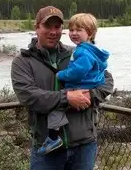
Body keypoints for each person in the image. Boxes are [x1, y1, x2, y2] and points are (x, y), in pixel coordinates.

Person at [10, 6, 114, 170]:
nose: (53, 32)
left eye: (57, 27)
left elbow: (107, 81)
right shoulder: (23, 61)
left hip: (84, 145)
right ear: (37, 27)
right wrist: (67, 98)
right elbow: (29, 96)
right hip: (46, 148)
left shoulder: (77, 53)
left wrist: (87, 96)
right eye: (47, 26)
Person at [38, 12, 109, 155]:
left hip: (80, 87)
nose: (74, 33)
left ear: (90, 33)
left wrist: (61, 75)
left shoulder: (82, 51)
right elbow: (102, 69)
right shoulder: (93, 50)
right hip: (90, 84)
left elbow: (78, 71)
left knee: (57, 109)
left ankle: (53, 138)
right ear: (37, 28)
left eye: (79, 30)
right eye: (71, 30)